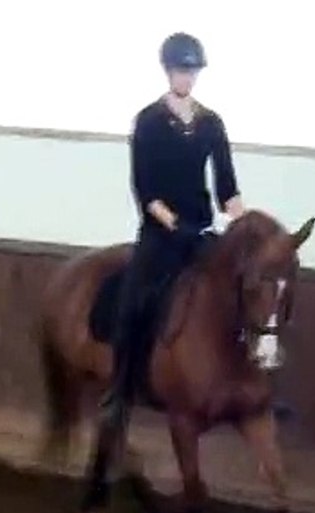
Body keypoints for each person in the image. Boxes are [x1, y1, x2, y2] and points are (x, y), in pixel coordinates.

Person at [101, 31, 246, 430]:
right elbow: (145, 188)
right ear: (168, 72)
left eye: (192, 71)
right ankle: (122, 388)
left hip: (200, 230)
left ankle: (247, 388)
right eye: (181, 70)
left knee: (242, 294)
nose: (187, 78)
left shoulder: (211, 124)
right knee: (133, 302)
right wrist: (175, 226)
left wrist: (244, 225)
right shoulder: (149, 122)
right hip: (161, 232)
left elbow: (227, 189)